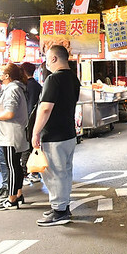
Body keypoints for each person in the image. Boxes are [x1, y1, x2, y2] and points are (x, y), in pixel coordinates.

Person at [31, 44, 81, 226]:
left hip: (54, 136)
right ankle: (62, 207)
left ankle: (59, 211)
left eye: (47, 58)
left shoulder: (53, 79)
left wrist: (36, 132)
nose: (46, 62)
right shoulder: (73, 78)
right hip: (68, 133)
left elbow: (45, 108)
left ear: (53, 58)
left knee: (54, 174)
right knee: (65, 172)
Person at [0, 63, 29, 211]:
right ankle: (18, 194)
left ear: (7, 76)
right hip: (11, 133)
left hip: (11, 134)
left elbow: (9, 113)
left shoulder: (12, 90)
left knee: (12, 166)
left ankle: (11, 199)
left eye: (1, 72)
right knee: (15, 165)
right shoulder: (15, 88)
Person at [20, 62, 42, 186]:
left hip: (29, 121)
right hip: (36, 121)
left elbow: (29, 107)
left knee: (26, 148)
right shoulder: (37, 86)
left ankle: (27, 174)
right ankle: (34, 172)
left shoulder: (27, 86)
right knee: (33, 147)